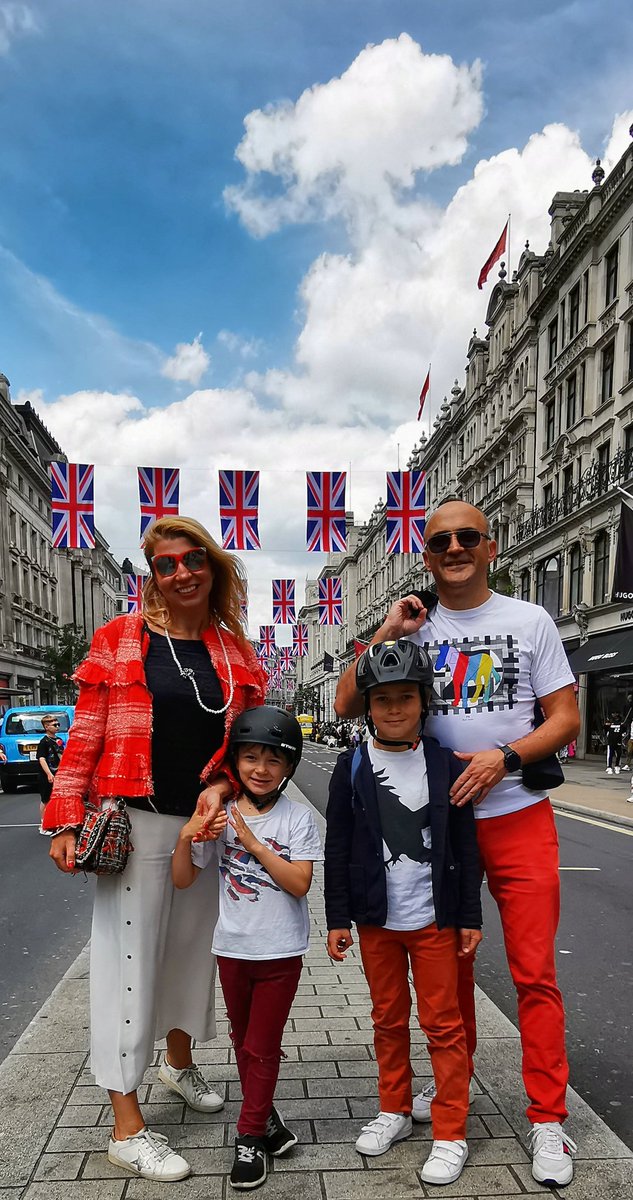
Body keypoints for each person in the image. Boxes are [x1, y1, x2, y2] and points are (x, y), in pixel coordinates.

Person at [335, 501, 580, 1188]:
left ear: (490, 546)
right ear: (426, 552)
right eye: (439, 539)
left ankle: (546, 1119)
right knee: (451, 976)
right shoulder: (415, 623)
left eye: (465, 537)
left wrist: (504, 756)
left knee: (534, 972)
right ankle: (452, 1096)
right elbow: (346, 705)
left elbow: (565, 717)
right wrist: (387, 628)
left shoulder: (527, 621)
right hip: (435, 826)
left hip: (516, 813)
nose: (453, 548)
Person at [43, 516, 266, 1183]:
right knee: (129, 968)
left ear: (212, 565)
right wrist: (64, 818)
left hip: (202, 826)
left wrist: (222, 787)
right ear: (153, 579)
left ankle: (175, 1063)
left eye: (192, 559)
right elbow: (84, 736)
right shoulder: (119, 640)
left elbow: (243, 743)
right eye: (165, 566)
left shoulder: (233, 651)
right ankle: (125, 1126)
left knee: (191, 957)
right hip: (134, 821)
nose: (181, 574)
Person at [326, 639, 482, 1187]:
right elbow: (338, 847)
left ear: (423, 702)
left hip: (434, 921)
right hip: (375, 922)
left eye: (406, 698)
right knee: (388, 1020)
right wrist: (337, 918)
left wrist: (470, 917)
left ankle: (449, 1130)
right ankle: (393, 1107)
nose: (394, 708)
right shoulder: (351, 766)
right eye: (383, 699)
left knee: (444, 1025)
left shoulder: (444, 764)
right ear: (367, 705)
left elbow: (466, 848)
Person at [172, 706, 322, 1191]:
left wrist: (254, 844)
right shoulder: (219, 816)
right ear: (235, 762)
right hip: (232, 949)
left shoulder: (298, 818)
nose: (260, 768)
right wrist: (186, 836)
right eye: (250, 757)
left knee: (262, 1046)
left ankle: (249, 1135)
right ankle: (270, 1122)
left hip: (279, 952)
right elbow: (183, 877)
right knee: (244, 1044)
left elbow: (300, 883)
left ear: (289, 768)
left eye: (273, 760)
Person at [36, 714, 63, 815]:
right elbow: (41, 759)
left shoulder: (58, 740)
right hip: (47, 774)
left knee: (56, 798)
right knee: (46, 799)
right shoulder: (44, 742)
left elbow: (61, 755)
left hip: (58, 773)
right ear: (46, 727)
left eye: (58, 724)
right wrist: (48, 773)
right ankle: (43, 822)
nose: (57, 727)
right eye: (54, 725)